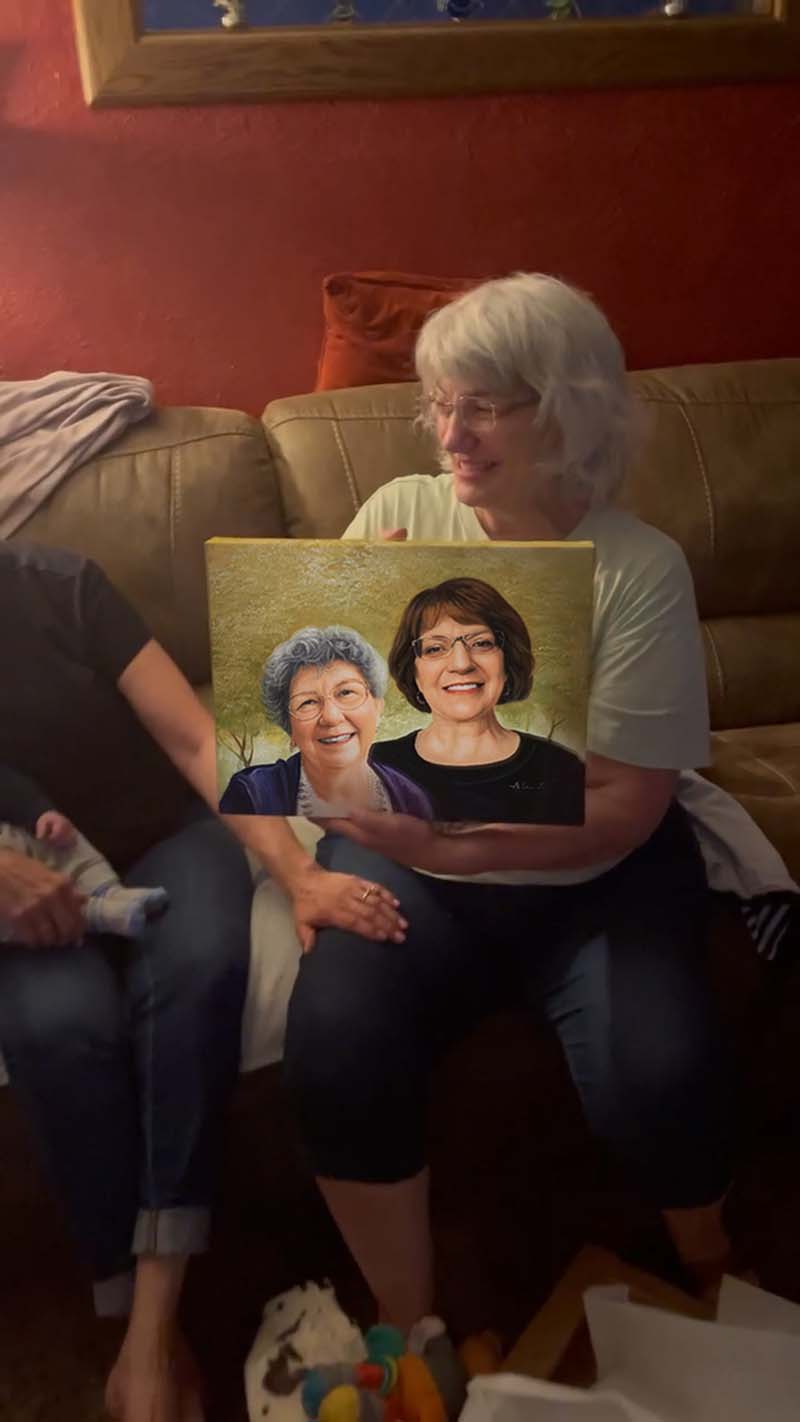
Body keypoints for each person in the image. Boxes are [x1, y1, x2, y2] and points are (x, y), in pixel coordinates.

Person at [281, 272, 740, 1332]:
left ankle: (715, 1267)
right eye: (439, 400)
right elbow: (298, 721)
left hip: (596, 875)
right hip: (410, 859)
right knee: (337, 1035)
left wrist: (451, 834)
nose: (450, 431)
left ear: (568, 409)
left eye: (483, 405)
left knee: (657, 1068)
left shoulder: (635, 568)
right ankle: (413, 1327)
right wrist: (341, 631)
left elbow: (622, 806)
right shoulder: (398, 513)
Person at [0, 542, 407, 1422]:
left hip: (166, 840)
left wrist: (297, 875)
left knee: (196, 977)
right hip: (30, 890)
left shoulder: (62, 583)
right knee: (58, 1029)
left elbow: (193, 737)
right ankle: (150, 1333)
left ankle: (149, 1333)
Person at [371, 576, 585, 825]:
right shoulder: (373, 767)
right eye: (435, 648)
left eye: (481, 643)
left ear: (508, 661)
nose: (461, 665)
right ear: (413, 671)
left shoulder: (561, 769)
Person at [220, 625, 433, 820]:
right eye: (308, 702)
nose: (331, 716)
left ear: (377, 706)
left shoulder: (411, 798)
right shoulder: (253, 795)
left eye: (346, 692)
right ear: (289, 727)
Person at [0, 764, 168, 940]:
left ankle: (110, 891)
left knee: (65, 842)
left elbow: (8, 786)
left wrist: (39, 813)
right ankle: (98, 913)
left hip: (22, 833)